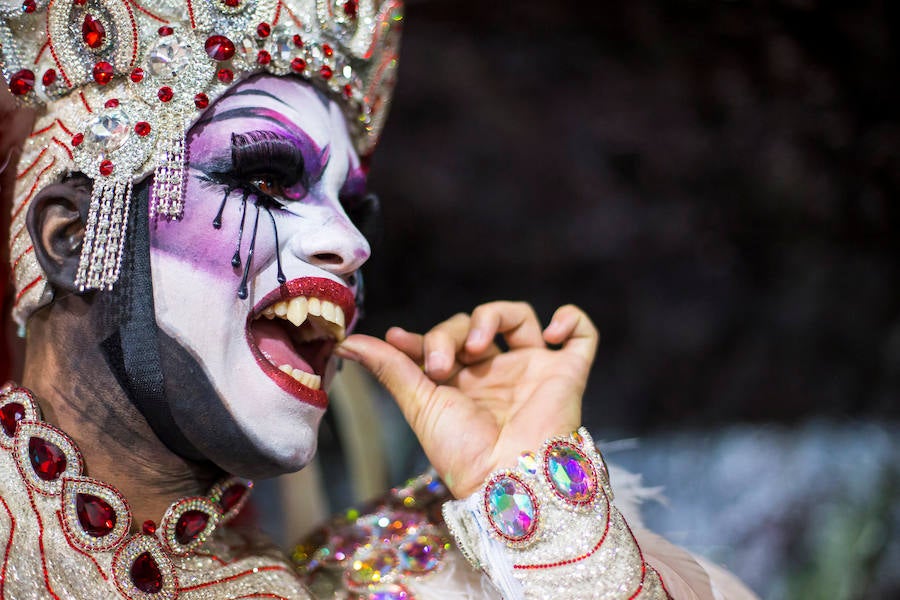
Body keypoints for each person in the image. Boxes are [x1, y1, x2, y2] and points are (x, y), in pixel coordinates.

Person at [0, 1, 756, 598]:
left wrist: (528, 491)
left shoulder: (392, 580)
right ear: (69, 238)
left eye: (352, 211)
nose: (351, 246)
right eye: (265, 180)